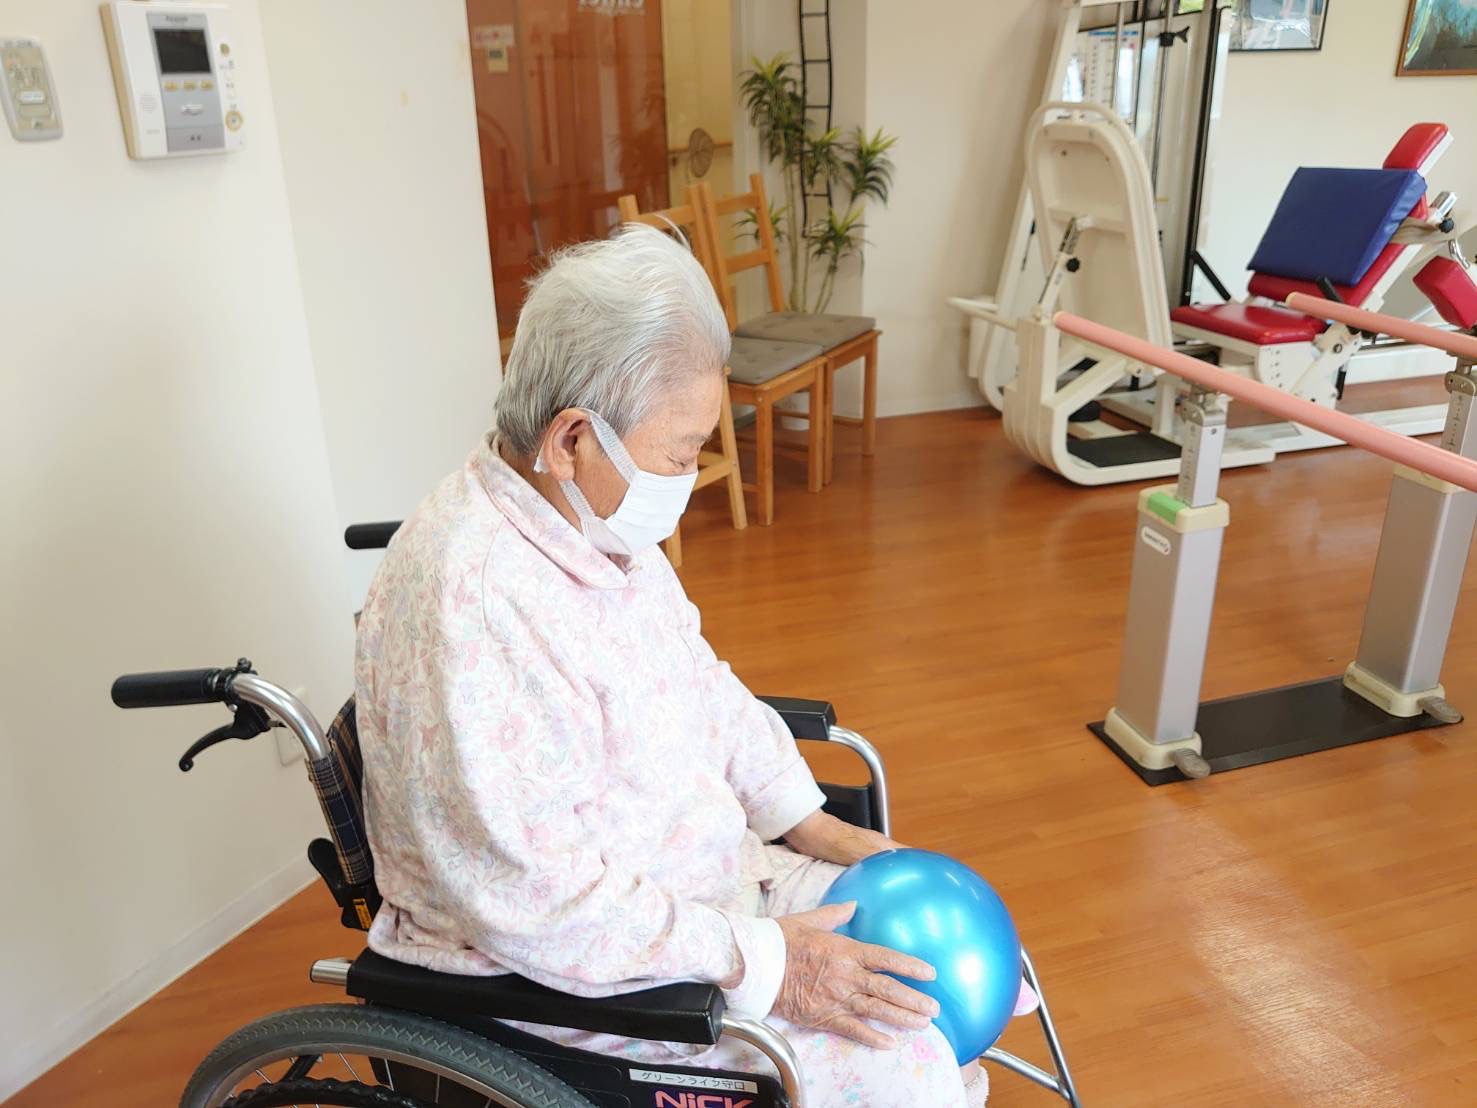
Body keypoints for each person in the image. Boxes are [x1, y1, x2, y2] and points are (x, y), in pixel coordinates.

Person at [355, 224, 1029, 1106]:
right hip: (564, 967)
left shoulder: (586, 529)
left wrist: (807, 822)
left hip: (699, 887)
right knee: (905, 1061)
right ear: (571, 440)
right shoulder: (476, 612)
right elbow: (537, 900)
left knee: (969, 970)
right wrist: (765, 964)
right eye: (679, 450)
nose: (692, 469)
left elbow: (700, 683)